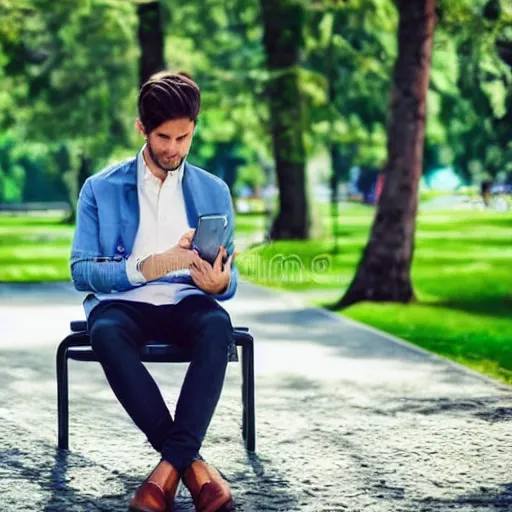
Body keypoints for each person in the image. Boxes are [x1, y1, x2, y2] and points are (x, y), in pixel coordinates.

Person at [70, 72, 238, 512]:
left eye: (184, 137)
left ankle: (166, 473)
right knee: (104, 332)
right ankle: (194, 468)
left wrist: (221, 284)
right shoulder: (99, 189)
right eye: (164, 136)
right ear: (141, 128)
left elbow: (228, 273)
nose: (174, 149)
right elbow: (81, 270)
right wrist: (151, 265)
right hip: (124, 305)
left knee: (217, 324)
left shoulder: (214, 190)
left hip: (187, 301)